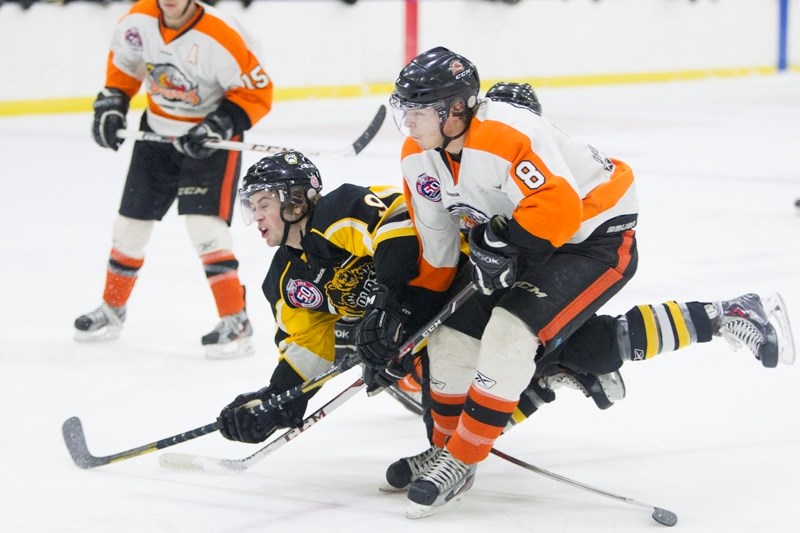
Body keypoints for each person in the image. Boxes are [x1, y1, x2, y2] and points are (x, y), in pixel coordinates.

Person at [359, 46, 795, 519]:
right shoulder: (418, 156)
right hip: (533, 238)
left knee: (510, 332)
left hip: (593, 238)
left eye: (418, 110)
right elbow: (439, 241)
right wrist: (407, 313)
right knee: (449, 337)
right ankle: (448, 447)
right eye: (404, 108)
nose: (407, 122)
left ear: (456, 108)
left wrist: (501, 242)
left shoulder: (506, 131)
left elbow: (559, 209)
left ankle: (461, 459)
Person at [74, 0, 272, 359]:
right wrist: (113, 102)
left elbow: (257, 92)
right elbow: (125, 65)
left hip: (209, 140)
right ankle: (112, 310)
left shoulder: (221, 35)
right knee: (129, 227)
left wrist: (219, 122)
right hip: (158, 131)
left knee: (204, 228)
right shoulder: (138, 20)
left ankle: (235, 319)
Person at [214, 151, 447, 443]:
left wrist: (389, 308)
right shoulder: (282, 279)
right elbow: (307, 344)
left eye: (264, 204)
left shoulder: (340, 209)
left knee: (377, 328)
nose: (256, 215)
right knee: (349, 333)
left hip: (446, 282)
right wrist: (276, 402)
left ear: (296, 201)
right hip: (408, 324)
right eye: (251, 207)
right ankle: (424, 391)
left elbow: (400, 228)